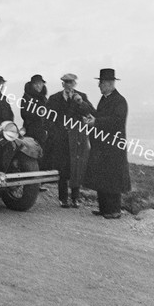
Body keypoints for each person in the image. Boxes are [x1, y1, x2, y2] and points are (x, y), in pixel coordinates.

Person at [84, 68, 131, 219]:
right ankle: (104, 209)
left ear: (110, 84)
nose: (99, 86)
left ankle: (114, 210)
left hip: (113, 147)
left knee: (112, 179)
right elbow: (103, 117)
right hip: (104, 146)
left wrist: (96, 121)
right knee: (103, 177)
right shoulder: (106, 99)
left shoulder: (119, 101)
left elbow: (116, 121)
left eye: (101, 83)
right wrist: (92, 118)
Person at [45, 73, 95, 208]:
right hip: (61, 139)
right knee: (63, 168)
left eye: (71, 82)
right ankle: (63, 198)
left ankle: (75, 198)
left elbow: (91, 112)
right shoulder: (54, 98)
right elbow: (47, 118)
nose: (68, 85)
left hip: (77, 138)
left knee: (76, 167)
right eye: (66, 82)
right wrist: (54, 132)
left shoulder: (81, 97)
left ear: (75, 84)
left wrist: (80, 102)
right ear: (63, 84)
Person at [20, 74, 48, 147]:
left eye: (40, 83)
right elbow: (24, 114)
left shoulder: (44, 98)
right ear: (31, 85)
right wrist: (39, 114)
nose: (38, 86)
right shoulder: (27, 97)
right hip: (32, 130)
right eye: (36, 84)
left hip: (44, 130)